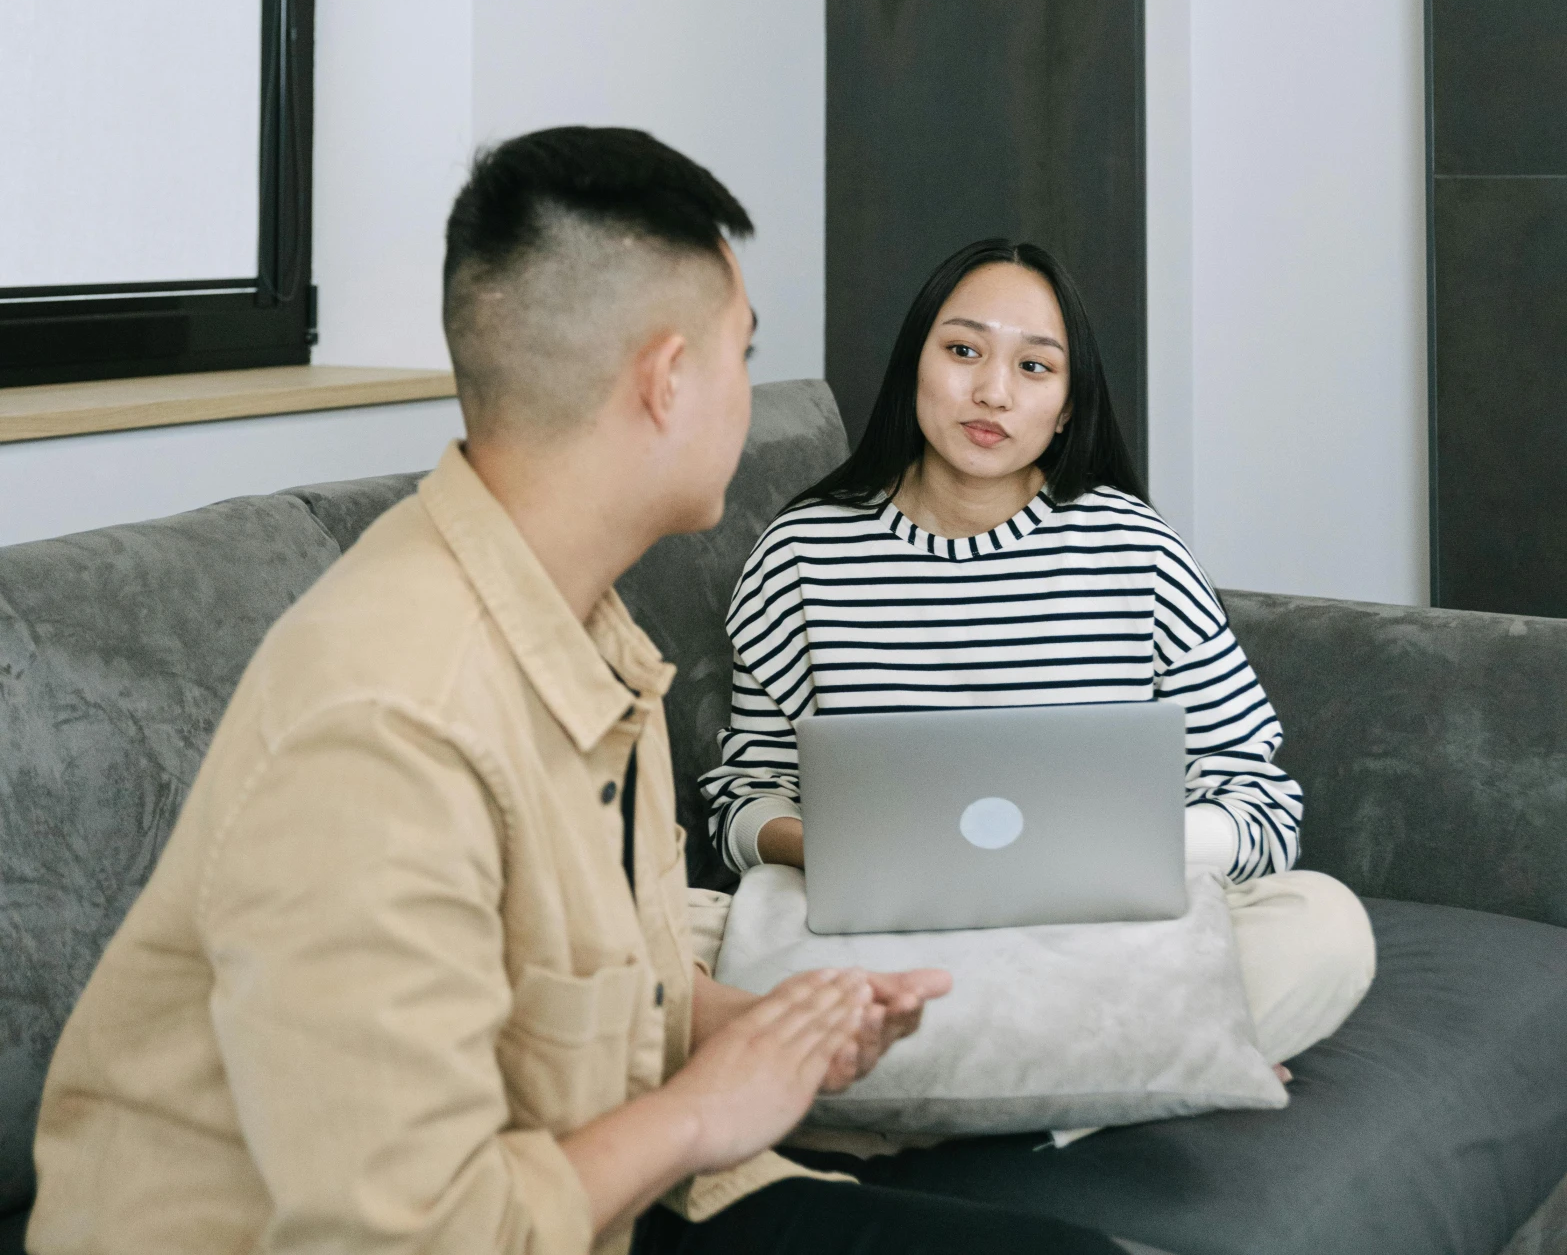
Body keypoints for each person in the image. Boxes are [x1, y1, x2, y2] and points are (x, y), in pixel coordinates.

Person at [29, 133, 1126, 1255]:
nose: (754, 400)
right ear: (666, 380)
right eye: (743, 356)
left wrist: (766, 1031)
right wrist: (707, 1109)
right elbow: (415, 1236)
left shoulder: (585, 628)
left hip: (586, 1187)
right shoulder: (384, 722)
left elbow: (598, 982)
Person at [701, 237, 1376, 1071]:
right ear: (914, 363)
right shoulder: (802, 552)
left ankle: (897, 1091)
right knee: (668, 940)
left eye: (1034, 368)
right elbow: (742, 797)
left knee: (1321, 926)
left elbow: (1259, 803)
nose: (990, 391)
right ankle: (1138, 1073)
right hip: (885, 939)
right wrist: (839, 850)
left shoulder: (1134, 549)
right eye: (961, 351)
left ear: (1065, 406)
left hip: (1096, 944)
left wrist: (1102, 856)